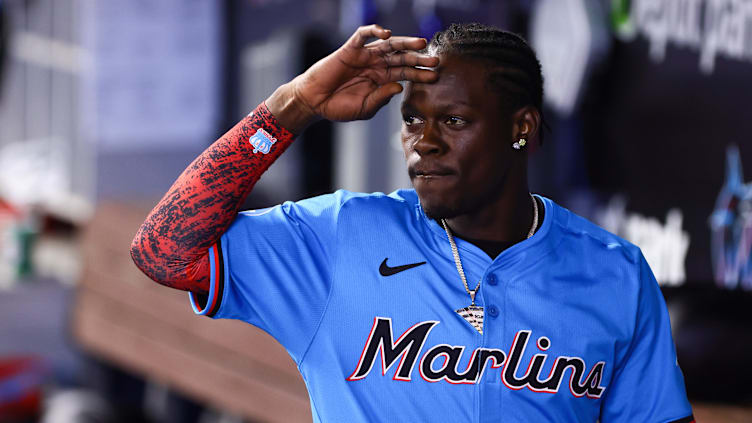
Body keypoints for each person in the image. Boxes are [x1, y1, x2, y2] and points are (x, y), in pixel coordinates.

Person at [131, 23, 694, 422]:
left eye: (453, 120)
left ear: (520, 127)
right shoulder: (342, 236)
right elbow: (162, 250)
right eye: (412, 120)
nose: (423, 143)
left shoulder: (613, 272)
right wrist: (293, 105)